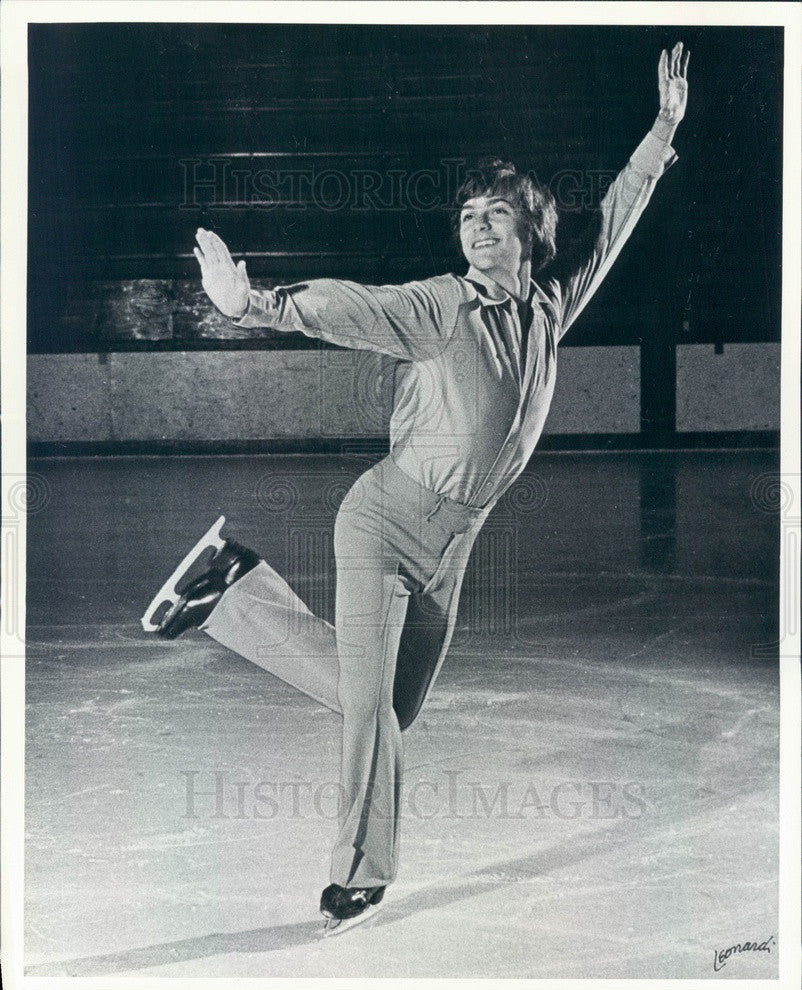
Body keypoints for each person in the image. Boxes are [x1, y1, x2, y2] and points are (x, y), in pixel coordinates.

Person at [144, 43, 689, 933]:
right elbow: (356, 308)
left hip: (454, 546)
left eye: (496, 216)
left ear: (529, 235)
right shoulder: (442, 305)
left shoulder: (548, 311)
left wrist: (664, 127)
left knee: (393, 710)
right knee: (367, 714)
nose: (477, 227)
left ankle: (233, 595)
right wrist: (256, 305)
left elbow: (616, 220)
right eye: (469, 215)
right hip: (384, 523)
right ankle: (358, 873)